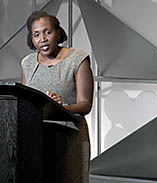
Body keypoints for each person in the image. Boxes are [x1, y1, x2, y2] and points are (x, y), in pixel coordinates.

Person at [21, 10, 94, 183]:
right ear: (32, 39)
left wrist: (61, 108)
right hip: (34, 138)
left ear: (58, 33)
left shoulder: (78, 59)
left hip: (69, 138)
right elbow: (24, 101)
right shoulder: (28, 63)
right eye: (36, 34)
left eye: (48, 32)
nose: (43, 39)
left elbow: (86, 104)